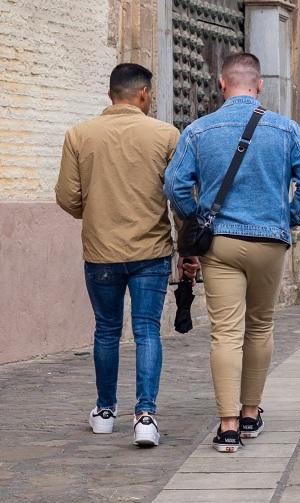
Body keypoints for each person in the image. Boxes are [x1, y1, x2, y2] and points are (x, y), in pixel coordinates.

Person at [164, 53, 300, 453]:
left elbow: (174, 184)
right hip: (270, 241)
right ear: (260, 85)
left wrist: (196, 216)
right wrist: (288, 213)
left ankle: (228, 425)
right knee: (260, 326)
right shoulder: (285, 129)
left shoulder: (199, 130)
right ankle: (251, 413)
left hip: (220, 243)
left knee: (226, 332)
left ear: (222, 84)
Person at [55, 63, 189, 447]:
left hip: (100, 250)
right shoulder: (165, 134)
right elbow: (180, 196)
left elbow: (66, 196)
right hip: (151, 250)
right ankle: (145, 416)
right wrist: (187, 245)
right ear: (144, 94)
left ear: (109, 94)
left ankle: (105, 411)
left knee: (106, 329)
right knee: (147, 329)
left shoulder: (79, 135)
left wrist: (93, 212)